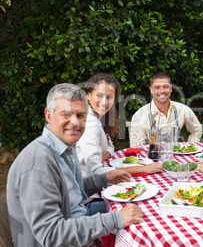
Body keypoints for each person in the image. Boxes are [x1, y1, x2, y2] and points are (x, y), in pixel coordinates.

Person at [7, 83, 143, 247]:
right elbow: (51, 235)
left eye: (80, 115)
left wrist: (104, 179)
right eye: (66, 114)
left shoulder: (63, 148)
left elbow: (69, 192)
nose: (75, 122)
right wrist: (116, 219)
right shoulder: (38, 163)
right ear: (48, 115)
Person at [77, 73, 163, 179]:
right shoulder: (90, 123)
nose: (104, 102)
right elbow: (97, 172)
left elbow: (110, 146)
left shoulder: (97, 116)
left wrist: (100, 158)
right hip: (83, 185)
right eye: (99, 95)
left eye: (109, 97)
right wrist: (143, 168)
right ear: (88, 95)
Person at [129, 72, 203, 147]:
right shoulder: (139, 116)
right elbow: (136, 148)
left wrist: (190, 147)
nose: (162, 91)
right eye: (157, 87)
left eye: (165, 87)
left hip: (174, 156)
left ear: (171, 88)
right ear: (151, 90)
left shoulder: (183, 110)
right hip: (150, 157)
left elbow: (196, 129)